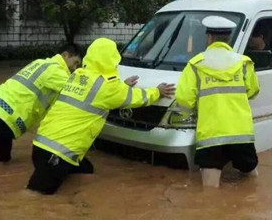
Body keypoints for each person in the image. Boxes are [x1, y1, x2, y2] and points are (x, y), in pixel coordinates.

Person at [26, 38, 175, 195]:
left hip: (41, 144)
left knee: (86, 171)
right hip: (57, 154)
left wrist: (122, 86)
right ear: (112, 60)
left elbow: (98, 93)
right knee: (35, 196)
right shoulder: (108, 87)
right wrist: (158, 91)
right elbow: (137, 97)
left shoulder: (78, 75)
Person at [0, 45, 83, 165]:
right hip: (3, 119)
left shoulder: (40, 63)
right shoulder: (58, 71)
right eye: (75, 62)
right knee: (0, 168)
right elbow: (79, 93)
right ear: (65, 55)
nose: (75, 68)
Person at [175, 16, 260, 188]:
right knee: (252, 181)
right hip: (240, 134)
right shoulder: (244, 63)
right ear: (229, 38)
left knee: (210, 191)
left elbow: (184, 99)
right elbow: (253, 91)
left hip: (211, 135)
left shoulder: (195, 65)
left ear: (209, 38)